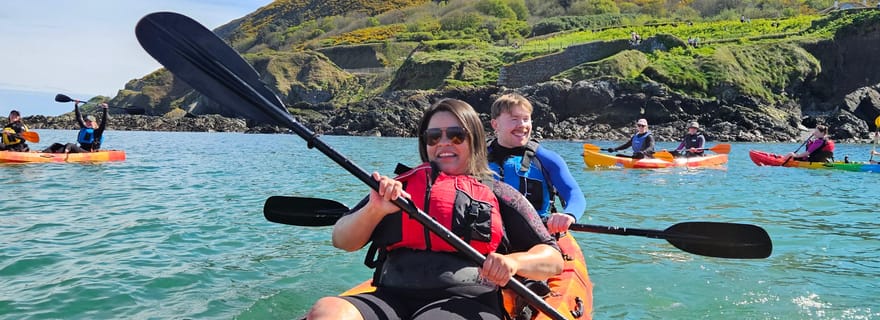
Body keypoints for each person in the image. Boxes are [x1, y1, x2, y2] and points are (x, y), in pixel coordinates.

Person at [305, 99, 564, 320]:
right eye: (434, 136)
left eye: (456, 135)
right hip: (390, 297)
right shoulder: (398, 189)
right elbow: (342, 240)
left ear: (473, 140)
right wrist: (375, 209)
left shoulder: (499, 193)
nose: (444, 143)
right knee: (328, 311)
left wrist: (512, 261)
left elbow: (553, 259)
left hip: (466, 301)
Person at [487, 93, 586, 234]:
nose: (522, 125)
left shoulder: (547, 159)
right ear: (495, 124)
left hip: (536, 234)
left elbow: (573, 193)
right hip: (487, 232)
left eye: (526, 119)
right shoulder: (475, 158)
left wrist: (570, 214)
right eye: (514, 119)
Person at [42, 101, 109, 153]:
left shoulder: (98, 131)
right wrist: (76, 105)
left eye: (90, 121)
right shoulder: (84, 128)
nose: (88, 123)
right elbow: (79, 117)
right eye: (87, 121)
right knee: (56, 145)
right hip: (80, 149)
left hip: (89, 152)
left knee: (70, 145)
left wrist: (105, 109)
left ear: (94, 123)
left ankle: (64, 155)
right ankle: (43, 153)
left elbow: (104, 122)